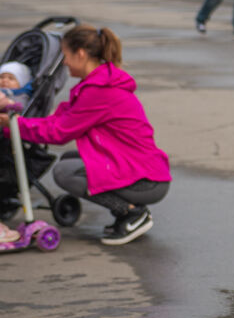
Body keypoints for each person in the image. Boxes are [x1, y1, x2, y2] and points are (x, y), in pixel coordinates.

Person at [0, 26, 170, 246]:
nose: (65, 62)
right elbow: (59, 120)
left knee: (65, 173)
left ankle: (132, 213)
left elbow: (59, 132)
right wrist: (15, 123)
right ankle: (129, 212)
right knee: (70, 159)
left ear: (80, 53)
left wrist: (13, 125)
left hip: (146, 182)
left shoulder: (100, 91)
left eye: (66, 56)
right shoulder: (96, 83)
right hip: (143, 171)